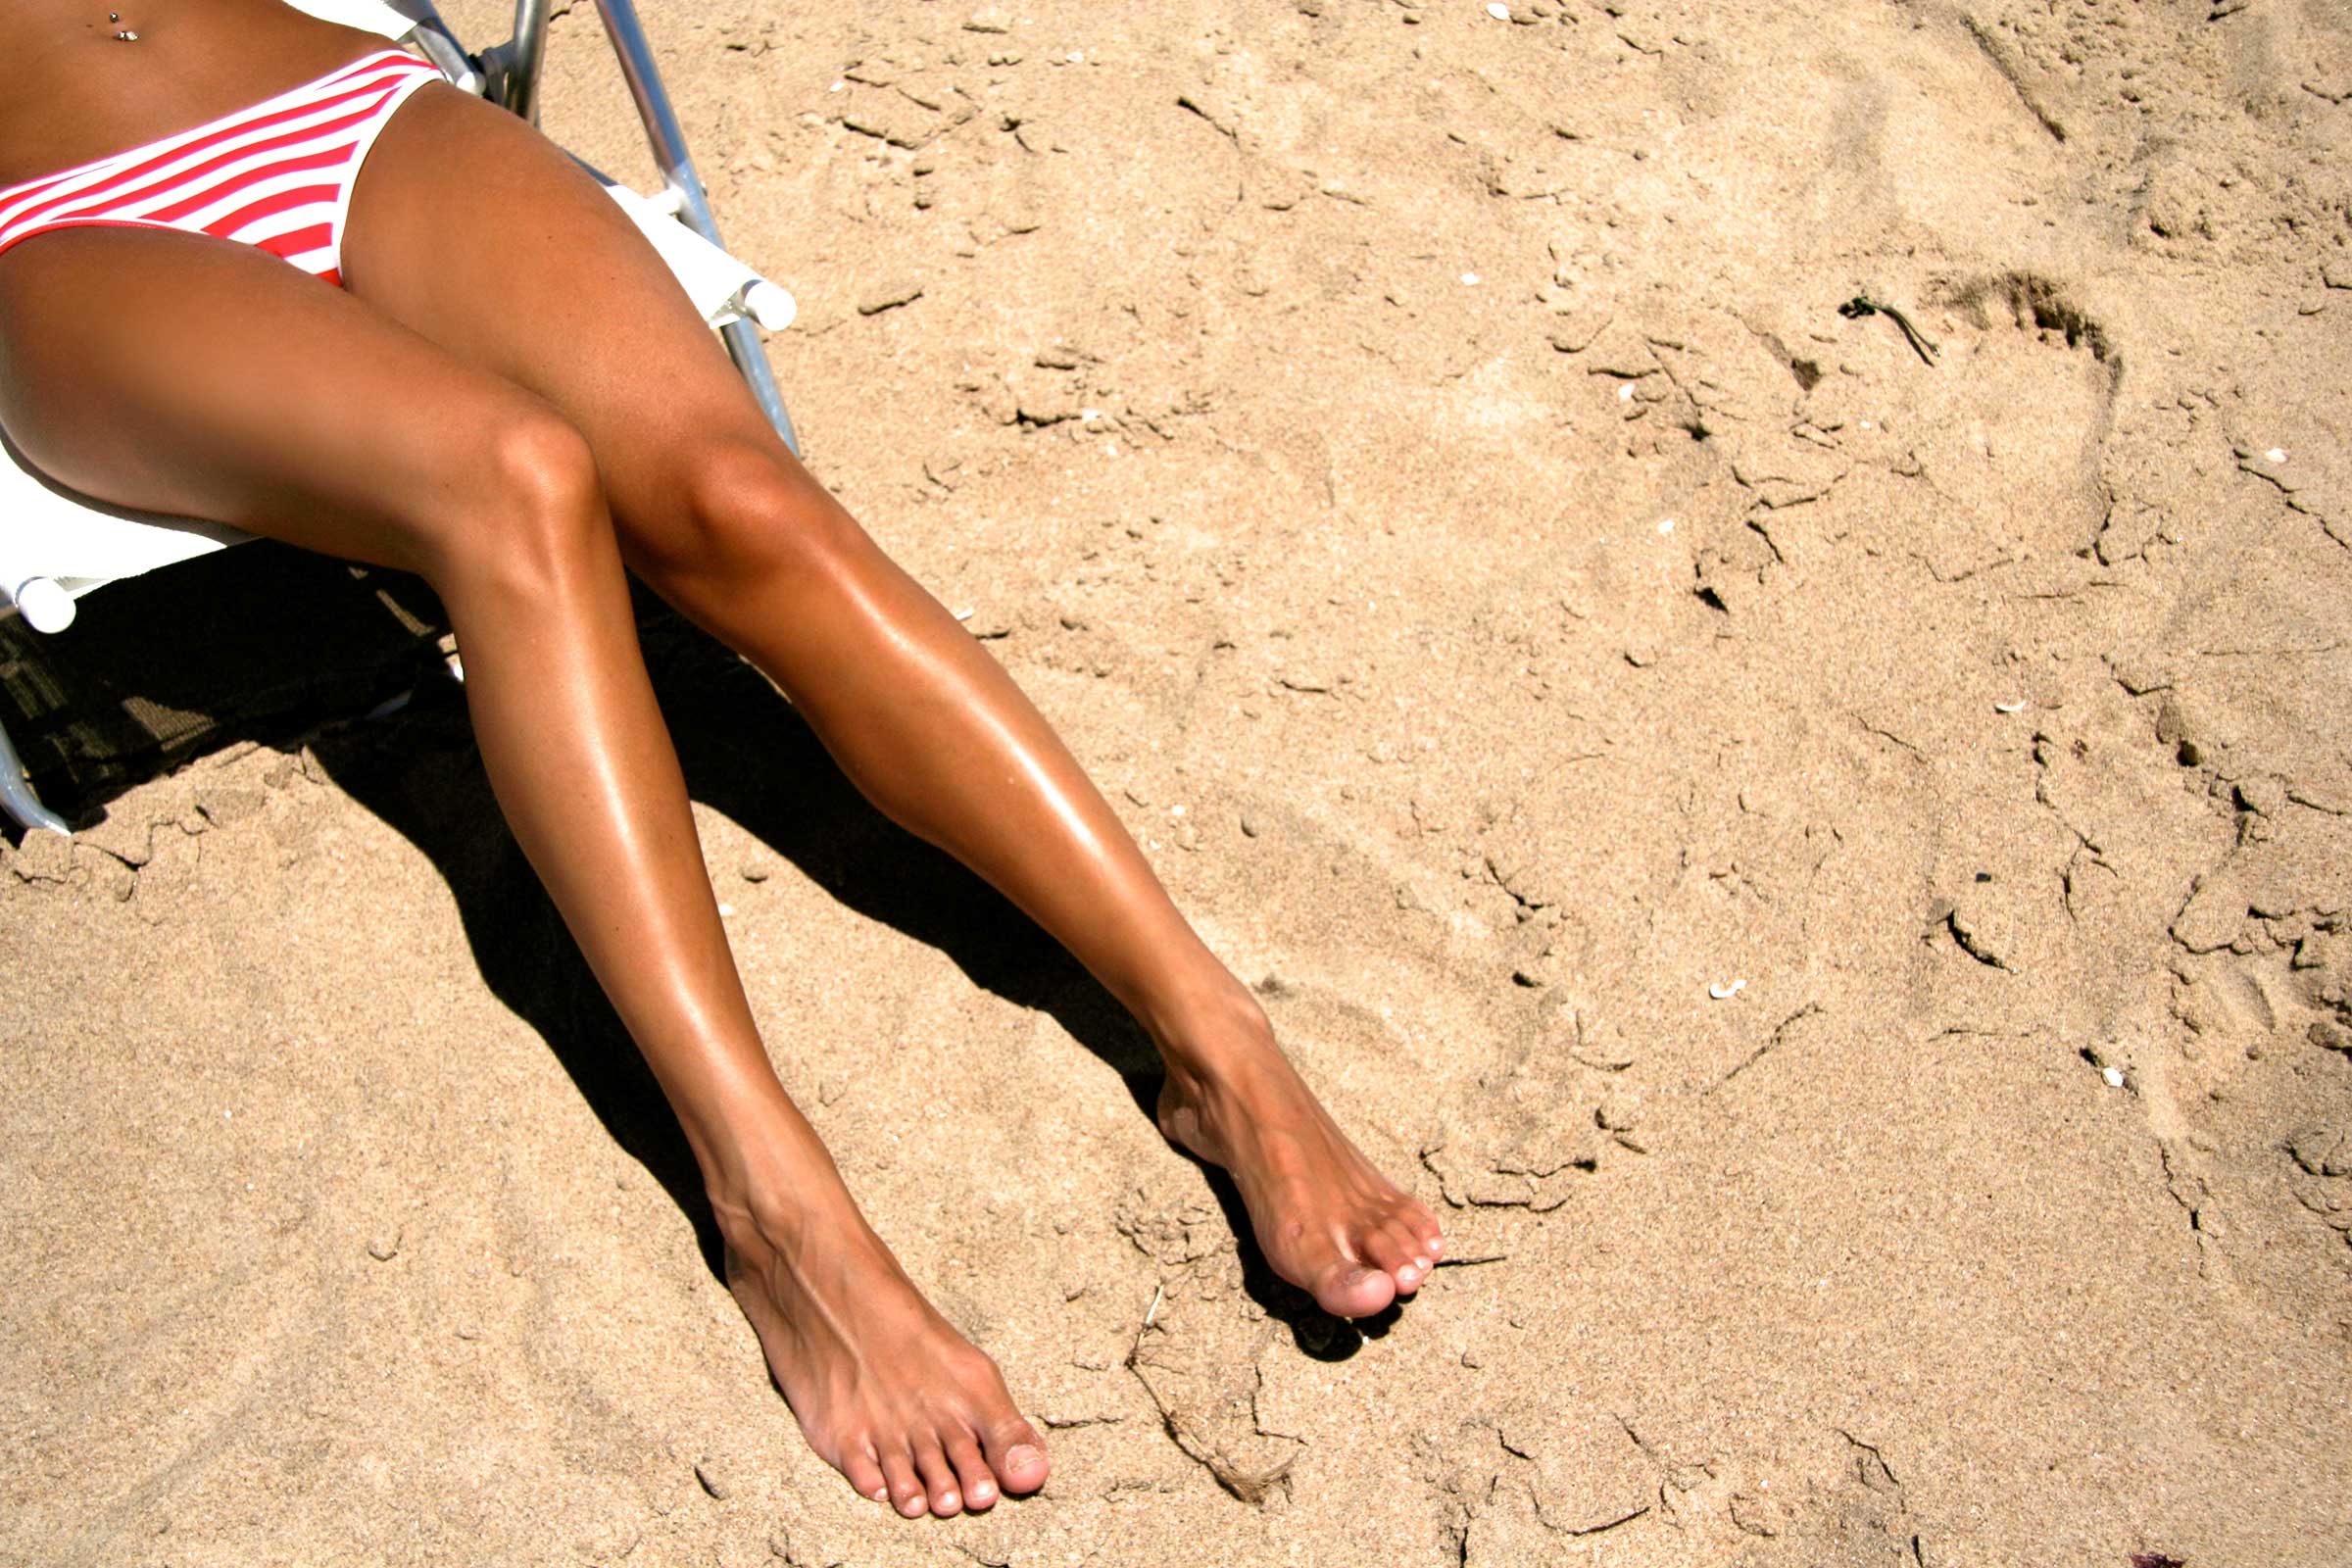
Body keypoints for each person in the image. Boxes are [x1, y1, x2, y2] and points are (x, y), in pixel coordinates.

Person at [0, 0, 1445, 1521]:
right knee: (518, 479)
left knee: (742, 500)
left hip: (336, 103)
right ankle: (778, 1214)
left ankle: (1222, 1050)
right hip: (56, 231)